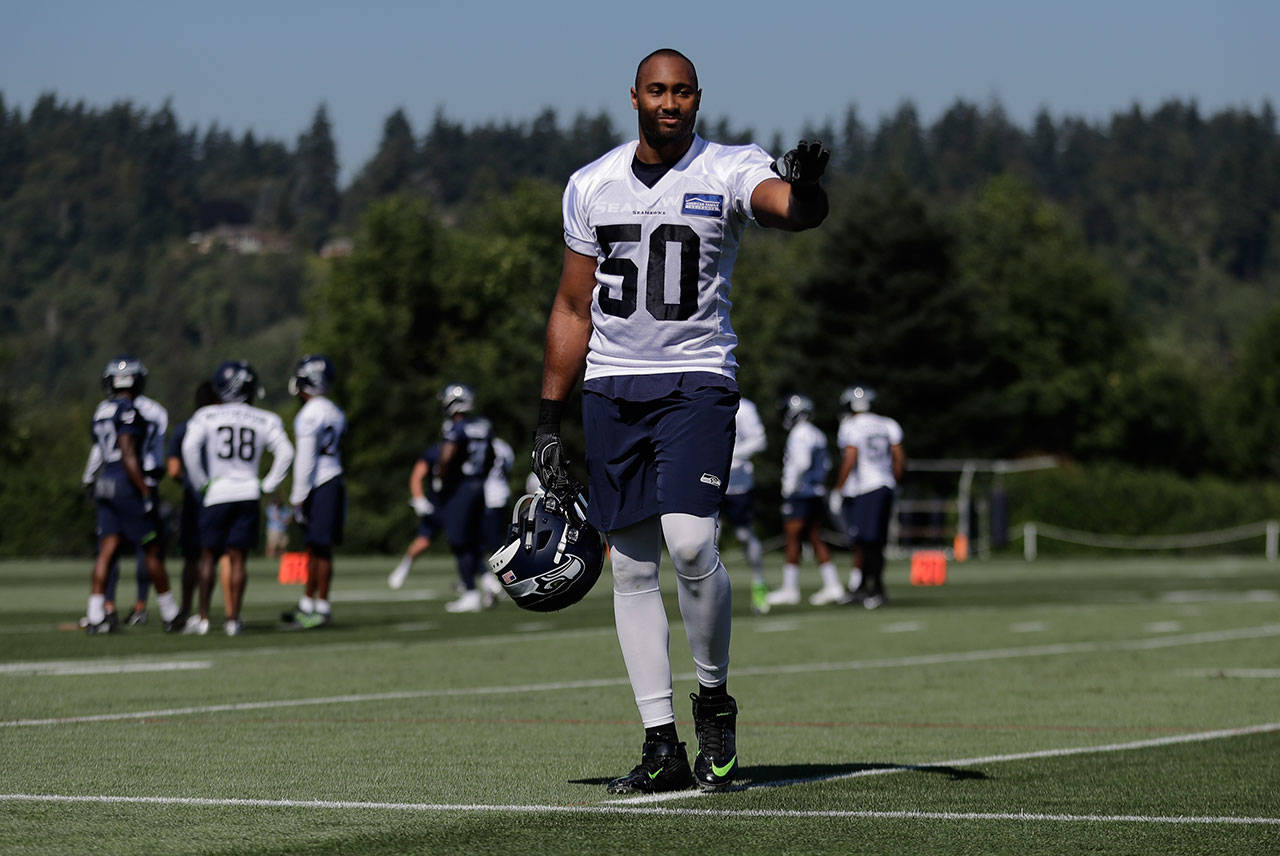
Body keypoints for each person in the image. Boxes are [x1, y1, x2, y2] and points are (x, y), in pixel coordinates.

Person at [530, 48, 829, 795]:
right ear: (634, 96)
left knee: (692, 544)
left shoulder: (728, 166)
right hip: (610, 388)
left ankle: (715, 700)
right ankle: (660, 741)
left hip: (695, 381)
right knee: (629, 567)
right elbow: (573, 308)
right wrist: (546, 419)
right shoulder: (590, 184)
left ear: (699, 99)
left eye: (683, 91)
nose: (670, 102)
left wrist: (808, 190)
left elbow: (785, 209)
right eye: (657, 91)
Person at [181, 360, 293, 635]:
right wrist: (267, 484)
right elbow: (286, 452)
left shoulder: (206, 416)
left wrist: (201, 483)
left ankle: (205, 618)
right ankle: (233, 619)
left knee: (208, 556)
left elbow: (189, 448)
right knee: (238, 558)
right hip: (247, 492)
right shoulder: (265, 418)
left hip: (217, 492)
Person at [83, 356, 182, 634]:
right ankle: (170, 611)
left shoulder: (101, 410)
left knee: (107, 549)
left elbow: (98, 452)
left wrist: (89, 481)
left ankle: (95, 615)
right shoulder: (131, 409)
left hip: (106, 482)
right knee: (151, 548)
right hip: (128, 483)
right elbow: (129, 453)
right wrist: (144, 491)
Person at [282, 355, 347, 629]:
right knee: (318, 548)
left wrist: (298, 498)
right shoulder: (334, 411)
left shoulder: (309, 414)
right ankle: (310, 604)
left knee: (318, 547)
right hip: (333, 478)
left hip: (319, 483)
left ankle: (320, 608)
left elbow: (306, 459)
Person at [768, 394, 845, 606]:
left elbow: (801, 464)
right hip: (816, 491)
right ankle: (833, 584)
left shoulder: (799, 434)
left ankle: (790, 588)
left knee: (792, 537)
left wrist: (790, 488)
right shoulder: (816, 433)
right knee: (814, 537)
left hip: (802, 492)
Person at [835, 384, 906, 609]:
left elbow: (850, 457)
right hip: (885, 485)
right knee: (874, 540)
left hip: (866, 488)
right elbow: (899, 458)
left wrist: (838, 487)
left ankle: (876, 589)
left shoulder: (851, 426)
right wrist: (894, 481)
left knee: (867, 541)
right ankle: (864, 587)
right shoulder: (887, 423)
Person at [435, 382, 502, 613]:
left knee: (459, 541)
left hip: (461, 487)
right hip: (479, 486)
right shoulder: (483, 426)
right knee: (473, 540)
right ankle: (487, 581)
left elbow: (447, 456)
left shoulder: (456, 428)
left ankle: (471, 592)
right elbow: (493, 456)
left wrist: (440, 477)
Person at [167, 380, 221, 626]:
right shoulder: (222, 425)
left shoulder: (183, 428)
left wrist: (192, 484)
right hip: (220, 496)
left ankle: (186, 609)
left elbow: (174, 470)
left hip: (193, 498)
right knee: (216, 556)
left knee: (191, 557)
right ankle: (206, 614)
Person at [720, 396, 769, 614]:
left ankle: (759, 584)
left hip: (738, 483)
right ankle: (710, 592)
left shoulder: (745, 408)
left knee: (744, 535)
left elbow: (759, 440)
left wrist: (729, 455)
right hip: (707, 481)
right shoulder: (699, 400)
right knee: (706, 539)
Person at [388, 442, 443, 590]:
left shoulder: (464, 453)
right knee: (423, 541)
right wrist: (419, 498)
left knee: (466, 542)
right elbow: (417, 475)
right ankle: (404, 567)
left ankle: (482, 580)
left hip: (458, 504)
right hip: (437, 504)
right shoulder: (433, 453)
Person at [483, 436, 515, 556]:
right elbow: (509, 468)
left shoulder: (480, 444)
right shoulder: (503, 446)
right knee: (501, 534)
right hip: (502, 491)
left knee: (492, 537)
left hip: (488, 495)